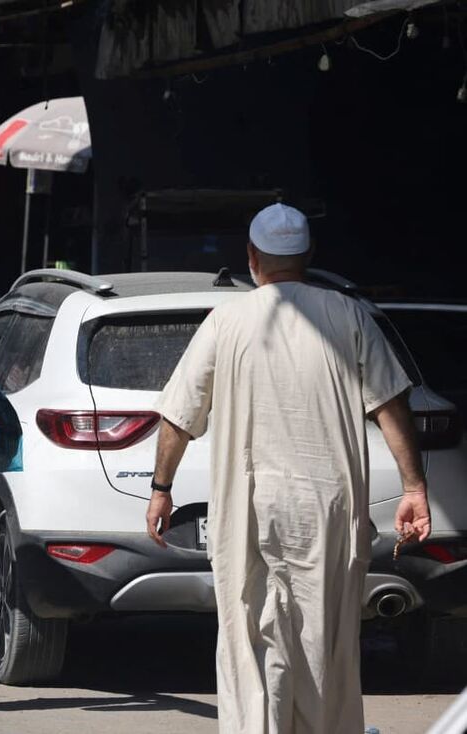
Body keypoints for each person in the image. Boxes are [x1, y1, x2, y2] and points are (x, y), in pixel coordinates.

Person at [145, 203, 432, 733]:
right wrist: (414, 486)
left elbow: (178, 415)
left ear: (253, 258)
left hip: (248, 505)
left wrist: (161, 488)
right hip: (326, 504)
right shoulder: (349, 316)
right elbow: (392, 403)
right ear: (308, 256)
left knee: (247, 631)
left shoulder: (226, 319)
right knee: (323, 637)